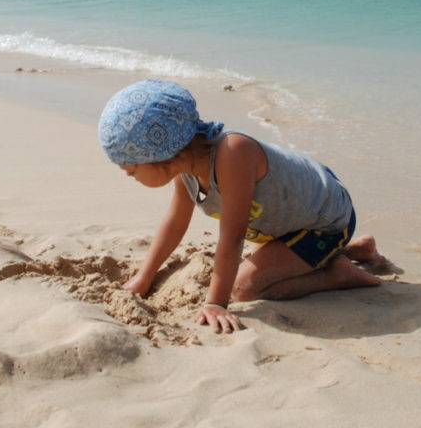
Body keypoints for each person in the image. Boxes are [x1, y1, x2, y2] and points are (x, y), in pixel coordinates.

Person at [98, 79, 385, 334]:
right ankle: (356, 251)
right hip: (284, 227)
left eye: (132, 170)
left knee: (243, 289)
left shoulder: (233, 153)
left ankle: (338, 274)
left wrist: (215, 303)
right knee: (255, 268)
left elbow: (232, 237)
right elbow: (175, 223)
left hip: (323, 222)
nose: (129, 176)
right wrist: (144, 276)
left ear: (165, 158)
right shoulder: (184, 165)